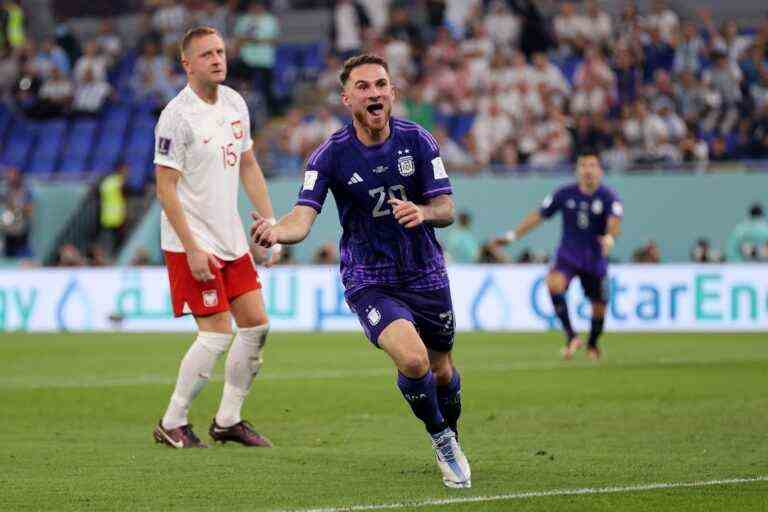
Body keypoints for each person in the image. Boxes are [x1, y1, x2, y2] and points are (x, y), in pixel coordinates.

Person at [250, 54, 471, 489]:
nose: (374, 93)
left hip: (425, 272)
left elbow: (446, 208)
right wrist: (276, 231)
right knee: (412, 358)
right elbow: (302, 217)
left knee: (442, 370)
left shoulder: (419, 141)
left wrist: (423, 212)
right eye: (364, 87)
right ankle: (441, 438)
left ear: (392, 93)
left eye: (381, 85)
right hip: (370, 277)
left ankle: (450, 428)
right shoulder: (329, 156)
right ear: (347, 97)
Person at [152, 26, 281, 449]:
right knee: (216, 333)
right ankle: (172, 421)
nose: (217, 59)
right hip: (191, 242)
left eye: (221, 51)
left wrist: (269, 224)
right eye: (206, 54)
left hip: (231, 239)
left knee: (256, 326)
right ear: (187, 63)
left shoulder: (235, 103)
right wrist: (191, 248)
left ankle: (228, 419)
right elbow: (165, 187)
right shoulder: (176, 115)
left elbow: (248, 165)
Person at [495, 153, 623, 361]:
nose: (588, 170)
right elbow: (539, 215)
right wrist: (513, 235)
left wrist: (609, 236)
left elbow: (615, 221)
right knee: (553, 284)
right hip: (568, 255)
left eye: (592, 165)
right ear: (577, 170)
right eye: (583, 165)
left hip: (595, 258)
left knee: (599, 308)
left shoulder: (609, 196)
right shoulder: (564, 193)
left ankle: (592, 343)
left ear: (600, 171)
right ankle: (572, 336)